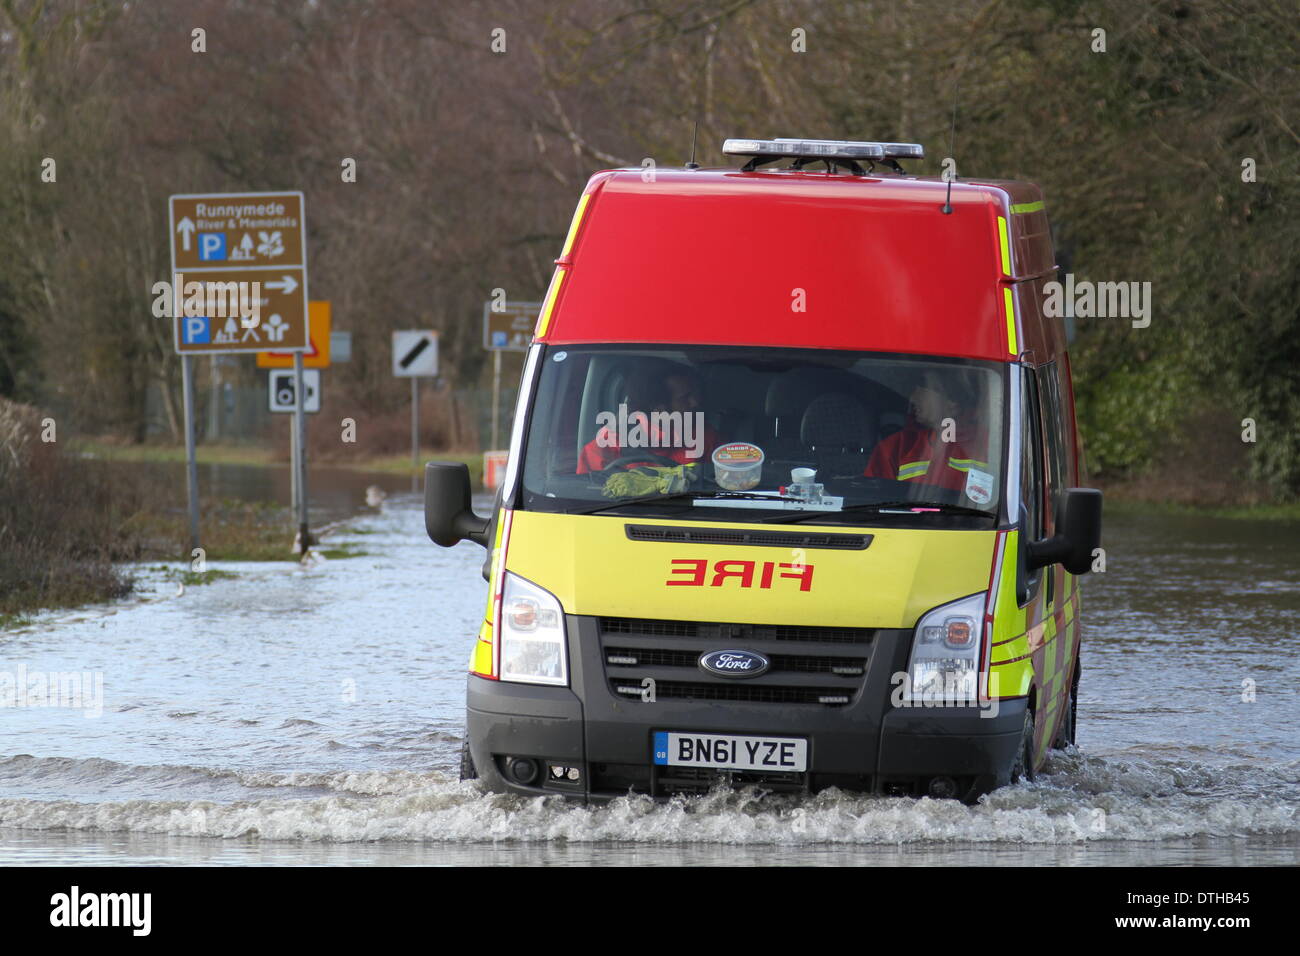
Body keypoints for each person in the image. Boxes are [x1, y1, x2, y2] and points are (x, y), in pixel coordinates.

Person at [577, 365, 721, 473]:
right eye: (685, 398)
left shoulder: (706, 436)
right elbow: (587, 491)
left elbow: (728, 482)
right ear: (658, 408)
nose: (694, 402)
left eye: (693, 395)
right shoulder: (607, 443)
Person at [864, 369, 987, 492]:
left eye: (924, 387)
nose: (912, 398)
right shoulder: (895, 448)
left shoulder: (994, 447)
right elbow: (873, 501)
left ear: (952, 401)